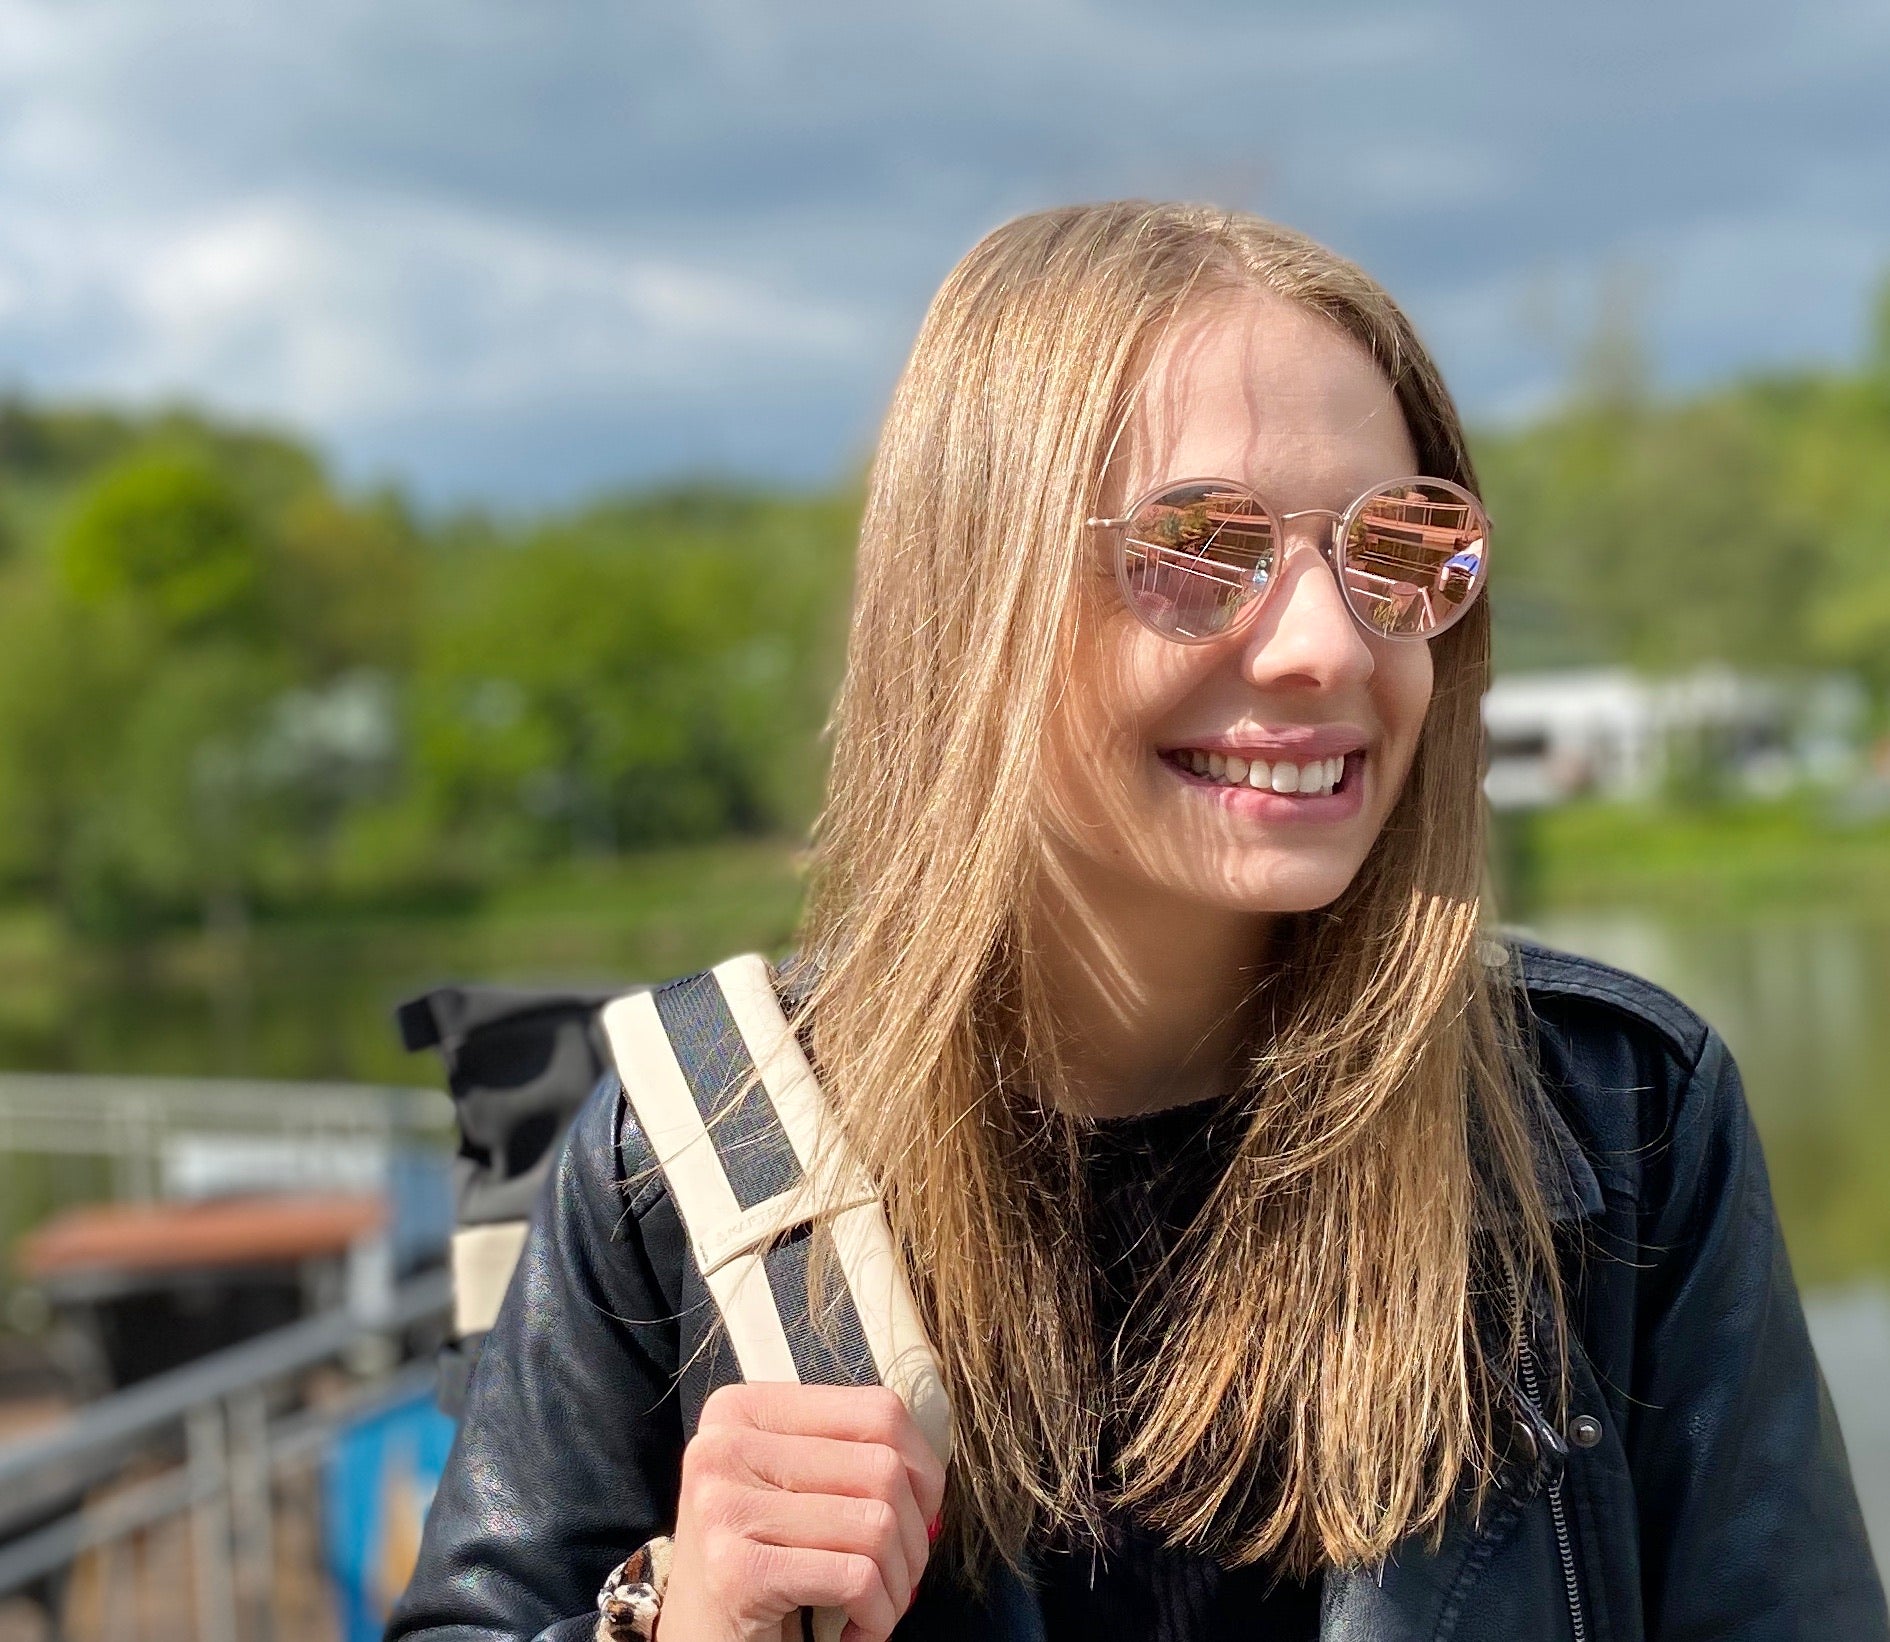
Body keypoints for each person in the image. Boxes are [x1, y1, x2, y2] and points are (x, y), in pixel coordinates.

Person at [388, 203, 1887, 1642]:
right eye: (1198, 549)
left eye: (1393, 546)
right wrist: (677, 1620)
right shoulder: (679, 1151)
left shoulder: (1618, 1115)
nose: (1322, 644)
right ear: (975, 596)